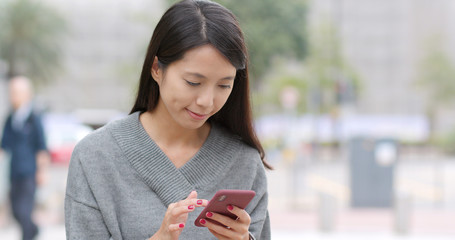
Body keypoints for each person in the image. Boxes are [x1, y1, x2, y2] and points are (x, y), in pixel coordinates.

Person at [64, 0, 272, 239]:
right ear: (156, 68)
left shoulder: (245, 162)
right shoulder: (95, 156)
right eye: (193, 82)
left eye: (224, 85)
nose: (207, 101)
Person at [0, 76, 49, 240]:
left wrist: (42, 172)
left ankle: (28, 235)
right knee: (15, 211)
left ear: (27, 94)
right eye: (11, 92)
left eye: (16, 92)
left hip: (30, 173)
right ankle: (34, 230)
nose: (13, 96)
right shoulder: (11, 118)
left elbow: (42, 148)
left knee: (24, 211)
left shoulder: (34, 118)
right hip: (14, 173)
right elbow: (4, 145)